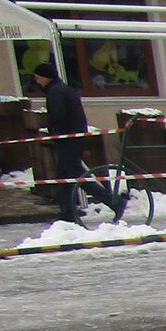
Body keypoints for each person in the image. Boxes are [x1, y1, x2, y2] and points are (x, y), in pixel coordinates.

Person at [28, 62, 123, 225]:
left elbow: (59, 116)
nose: (37, 81)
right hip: (73, 138)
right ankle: (67, 213)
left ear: (45, 77)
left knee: (76, 175)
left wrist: (54, 132)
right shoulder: (63, 89)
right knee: (64, 178)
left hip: (67, 140)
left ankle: (114, 202)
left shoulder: (56, 92)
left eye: (37, 78)